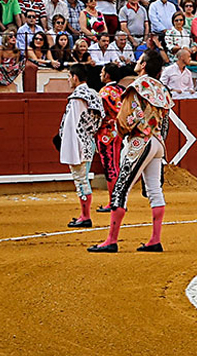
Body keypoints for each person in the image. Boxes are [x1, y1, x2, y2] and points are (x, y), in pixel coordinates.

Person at [88, 50, 173, 253]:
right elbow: (166, 121)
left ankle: (111, 240)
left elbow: (127, 118)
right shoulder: (162, 89)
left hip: (139, 142)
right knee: (154, 190)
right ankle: (154, 240)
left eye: (140, 60)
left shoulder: (137, 86)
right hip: (157, 142)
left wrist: (122, 131)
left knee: (120, 189)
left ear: (143, 65)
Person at [57, 63, 104, 229]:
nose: (68, 80)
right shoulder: (93, 94)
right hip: (89, 141)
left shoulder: (77, 98)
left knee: (81, 181)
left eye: (69, 76)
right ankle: (84, 215)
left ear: (75, 77)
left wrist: (69, 146)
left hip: (78, 143)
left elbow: (73, 126)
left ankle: (85, 216)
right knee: (83, 180)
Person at [96, 63, 125, 212]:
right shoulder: (121, 90)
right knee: (115, 165)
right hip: (118, 132)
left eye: (102, 72)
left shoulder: (105, 92)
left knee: (110, 167)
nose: (100, 75)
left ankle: (114, 202)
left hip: (107, 133)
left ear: (107, 75)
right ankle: (118, 200)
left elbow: (99, 114)